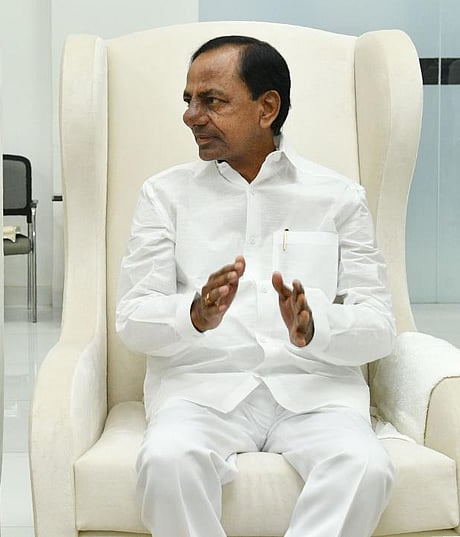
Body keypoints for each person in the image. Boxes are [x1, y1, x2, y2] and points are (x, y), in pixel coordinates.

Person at [115, 35, 396, 537]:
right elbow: (133, 319)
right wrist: (193, 316)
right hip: (201, 391)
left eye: (212, 101)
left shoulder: (338, 197)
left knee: (365, 467)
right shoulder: (163, 195)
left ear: (267, 107)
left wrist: (317, 327)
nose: (191, 116)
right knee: (166, 460)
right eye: (188, 100)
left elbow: (379, 326)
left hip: (315, 391)